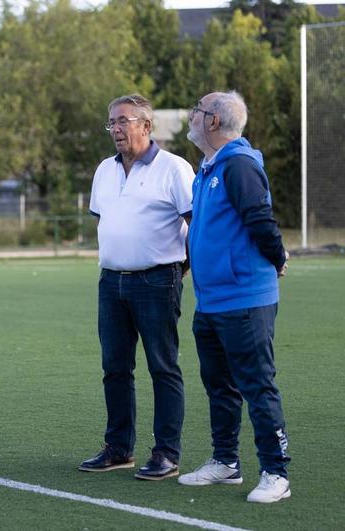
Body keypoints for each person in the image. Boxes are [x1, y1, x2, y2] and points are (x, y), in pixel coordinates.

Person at [180, 90, 291, 503]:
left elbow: (260, 219)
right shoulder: (206, 168)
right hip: (210, 302)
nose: (192, 115)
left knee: (257, 385)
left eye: (197, 110)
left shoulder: (239, 165)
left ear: (212, 121)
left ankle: (276, 472)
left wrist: (277, 257)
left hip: (244, 300)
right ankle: (226, 462)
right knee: (219, 386)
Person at [79, 94, 194, 481]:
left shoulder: (174, 168)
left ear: (147, 126)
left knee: (162, 367)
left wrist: (180, 270)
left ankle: (166, 452)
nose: (115, 128)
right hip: (111, 281)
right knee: (115, 367)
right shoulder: (104, 171)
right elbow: (107, 221)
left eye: (123, 121)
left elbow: (198, 223)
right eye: (111, 122)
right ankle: (118, 448)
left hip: (157, 280)